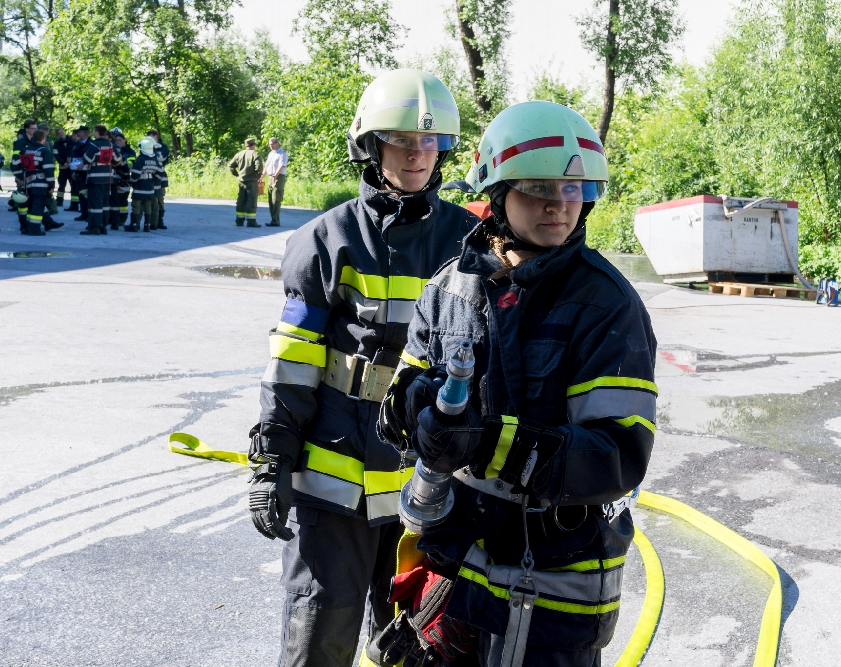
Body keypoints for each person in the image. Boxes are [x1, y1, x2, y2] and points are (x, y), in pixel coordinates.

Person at [372, 101, 657, 667]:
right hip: (455, 576)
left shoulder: (606, 305)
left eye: (574, 188)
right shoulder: (449, 288)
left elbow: (617, 457)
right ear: (497, 193)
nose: (559, 204)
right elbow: (399, 397)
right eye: (538, 187)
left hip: (551, 595)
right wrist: (416, 408)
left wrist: (485, 442)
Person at [245, 69, 472, 667]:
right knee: (319, 636)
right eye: (402, 140)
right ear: (370, 146)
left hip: (429, 489)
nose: (418, 154)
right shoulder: (327, 239)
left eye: (430, 142)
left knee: (418, 645)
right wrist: (272, 460)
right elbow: (292, 364)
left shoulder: (470, 242)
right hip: (333, 491)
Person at [11, 126, 62, 236]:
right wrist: (51, 185)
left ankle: (28, 227)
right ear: (43, 139)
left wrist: (20, 176)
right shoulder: (44, 151)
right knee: (38, 207)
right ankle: (34, 229)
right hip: (40, 184)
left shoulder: (25, 150)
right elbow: (48, 170)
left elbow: (14, 164)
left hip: (28, 184)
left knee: (30, 205)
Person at [81, 124, 119, 235]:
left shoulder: (94, 144)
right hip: (108, 178)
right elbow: (117, 160)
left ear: (97, 132)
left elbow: (87, 159)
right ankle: (103, 226)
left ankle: (95, 227)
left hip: (95, 178)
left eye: (94, 131)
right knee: (105, 202)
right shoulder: (110, 144)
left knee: (95, 203)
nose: (93, 133)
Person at [128, 137, 161, 232]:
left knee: (136, 206)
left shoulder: (141, 160)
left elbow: (135, 175)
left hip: (139, 188)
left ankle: (134, 225)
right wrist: (153, 182)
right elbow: (159, 175)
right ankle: (147, 226)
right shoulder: (155, 160)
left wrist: (131, 182)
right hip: (150, 189)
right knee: (148, 207)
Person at [228, 137, 263, 227]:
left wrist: (236, 174)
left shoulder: (239, 154)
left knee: (241, 201)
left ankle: (239, 220)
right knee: (252, 201)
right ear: (253, 145)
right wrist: (257, 176)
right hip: (251, 182)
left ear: (246, 145)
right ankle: (251, 221)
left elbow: (231, 166)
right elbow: (259, 167)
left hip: (241, 182)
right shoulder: (255, 154)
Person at [109, 129, 135, 230]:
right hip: (114, 179)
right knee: (114, 200)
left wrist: (120, 161)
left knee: (123, 201)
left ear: (125, 140)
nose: (118, 142)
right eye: (116, 140)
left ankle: (122, 219)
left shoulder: (130, 152)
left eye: (120, 140)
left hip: (124, 179)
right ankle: (113, 219)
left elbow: (130, 165)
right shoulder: (114, 150)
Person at [263, 137, 288, 227]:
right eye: (269, 144)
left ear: (277, 143)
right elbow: (266, 166)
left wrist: (275, 175)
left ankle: (276, 220)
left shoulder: (282, 153)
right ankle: (273, 219)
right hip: (271, 177)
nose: (271, 146)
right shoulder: (271, 153)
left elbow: (282, 165)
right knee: (270, 199)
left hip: (278, 177)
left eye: (272, 144)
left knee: (276, 199)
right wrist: (262, 176)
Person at [147, 129, 169, 230]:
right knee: (150, 201)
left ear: (156, 136)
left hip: (161, 178)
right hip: (149, 178)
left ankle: (160, 221)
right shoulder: (147, 147)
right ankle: (152, 221)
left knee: (159, 200)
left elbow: (160, 159)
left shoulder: (163, 147)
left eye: (151, 138)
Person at [70, 125, 92, 221]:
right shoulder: (78, 144)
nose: (78, 134)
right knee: (81, 193)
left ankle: (88, 213)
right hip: (79, 172)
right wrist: (74, 171)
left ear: (86, 133)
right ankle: (83, 213)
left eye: (80, 132)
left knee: (87, 194)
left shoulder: (91, 144)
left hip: (87, 172)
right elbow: (74, 157)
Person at [53, 127, 73, 208]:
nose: (61, 134)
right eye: (59, 134)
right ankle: (59, 200)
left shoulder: (71, 141)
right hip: (62, 167)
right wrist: (63, 162)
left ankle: (74, 202)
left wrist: (71, 159)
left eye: (62, 132)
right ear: (57, 135)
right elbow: (56, 155)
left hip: (71, 167)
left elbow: (74, 151)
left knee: (73, 184)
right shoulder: (56, 144)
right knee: (61, 185)